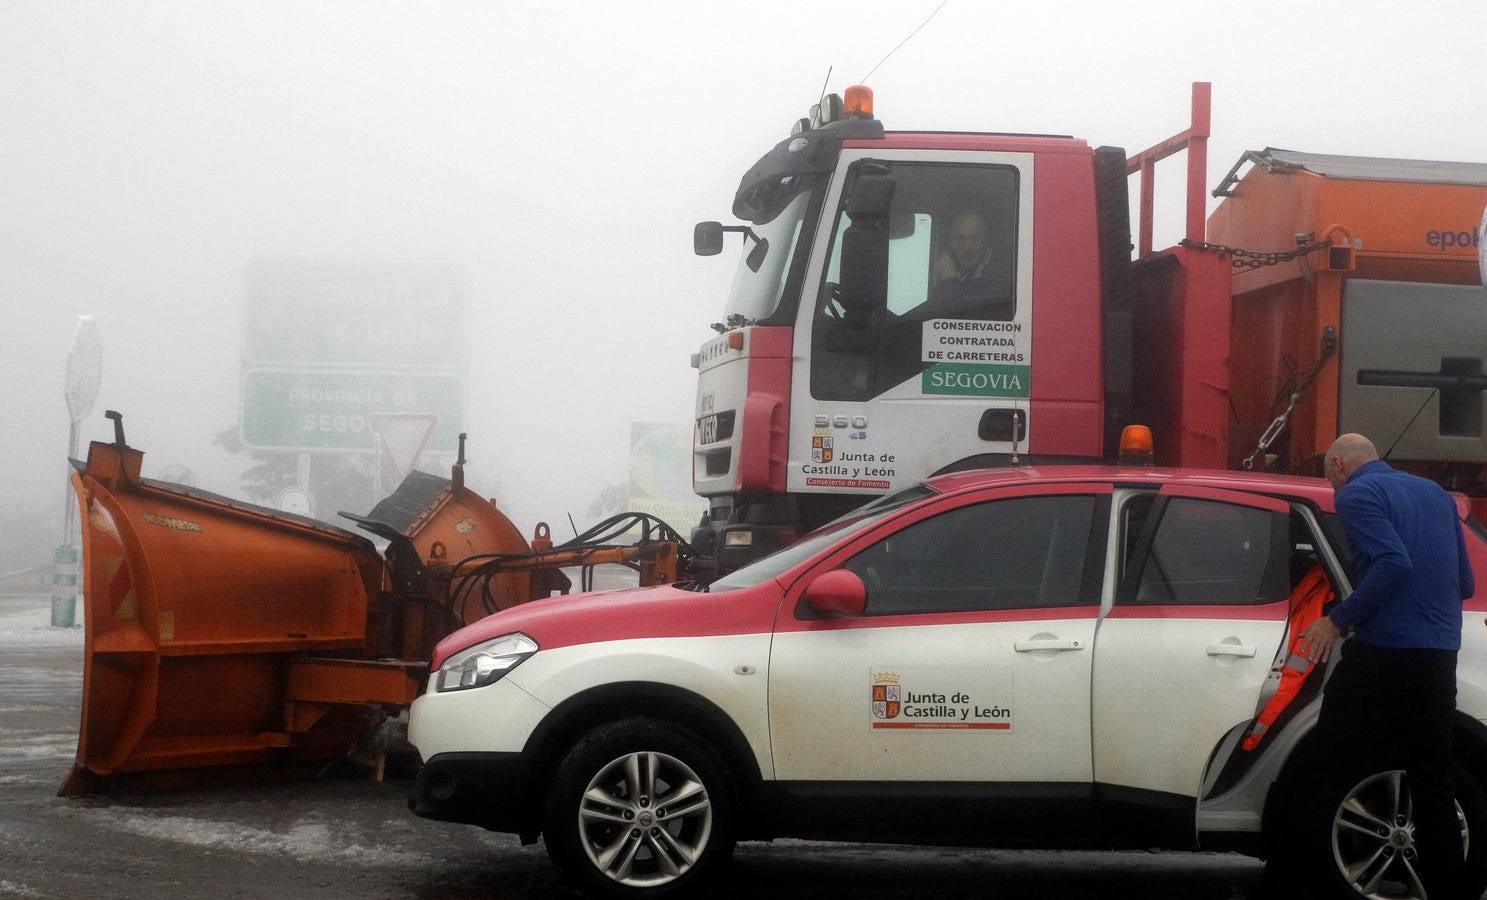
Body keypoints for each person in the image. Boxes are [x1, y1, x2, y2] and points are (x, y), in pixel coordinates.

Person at [1298, 433, 1475, 898]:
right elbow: (1466, 581)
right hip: (1438, 656)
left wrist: (1336, 622)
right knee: (1434, 783)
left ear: (1338, 464)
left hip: (1383, 652)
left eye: (1329, 479)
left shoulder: (1357, 494)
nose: (1334, 491)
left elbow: (1394, 563)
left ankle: (1301, 881)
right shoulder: (1436, 495)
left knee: (1324, 766)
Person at [925, 210, 1013, 320]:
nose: (966, 248)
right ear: (949, 241)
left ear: (987, 240)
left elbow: (962, 318)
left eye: (975, 239)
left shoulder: (1002, 274)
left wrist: (949, 281)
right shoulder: (963, 269)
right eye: (959, 238)